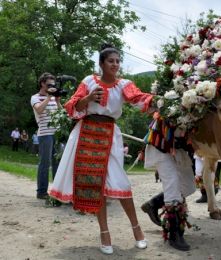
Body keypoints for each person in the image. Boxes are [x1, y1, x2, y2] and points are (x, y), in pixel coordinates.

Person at [49, 44, 153, 255]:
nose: (115, 64)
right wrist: (88, 99)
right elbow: (72, 106)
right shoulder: (88, 81)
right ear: (101, 64)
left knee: (121, 182)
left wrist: (158, 102)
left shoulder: (124, 84)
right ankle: (104, 233)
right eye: (111, 61)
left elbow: (138, 97)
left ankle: (137, 231)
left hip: (109, 134)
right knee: (95, 185)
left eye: (117, 61)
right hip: (86, 133)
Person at [141, 112, 196, 251]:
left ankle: (153, 203)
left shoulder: (207, 107)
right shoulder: (173, 103)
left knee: (189, 186)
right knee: (172, 184)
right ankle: (174, 234)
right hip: (162, 145)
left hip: (179, 148)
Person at [31, 73, 61, 199]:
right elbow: (39, 110)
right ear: (42, 84)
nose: (51, 87)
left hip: (57, 134)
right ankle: (41, 192)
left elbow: (62, 113)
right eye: (49, 85)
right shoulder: (35, 97)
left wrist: (58, 101)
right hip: (45, 134)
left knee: (57, 163)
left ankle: (57, 191)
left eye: (53, 85)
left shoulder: (54, 98)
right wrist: (49, 97)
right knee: (45, 163)